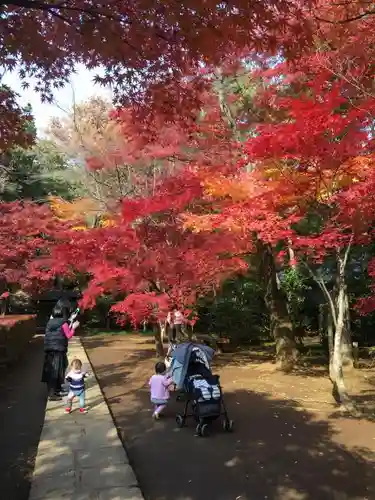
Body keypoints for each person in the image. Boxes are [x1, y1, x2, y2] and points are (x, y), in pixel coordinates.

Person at [41, 303, 80, 401]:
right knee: (58, 370)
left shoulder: (50, 322)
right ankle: (53, 394)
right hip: (58, 351)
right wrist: (74, 327)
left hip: (49, 351)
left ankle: (56, 389)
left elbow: (62, 330)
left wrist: (71, 320)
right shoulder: (63, 323)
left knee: (51, 371)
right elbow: (68, 335)